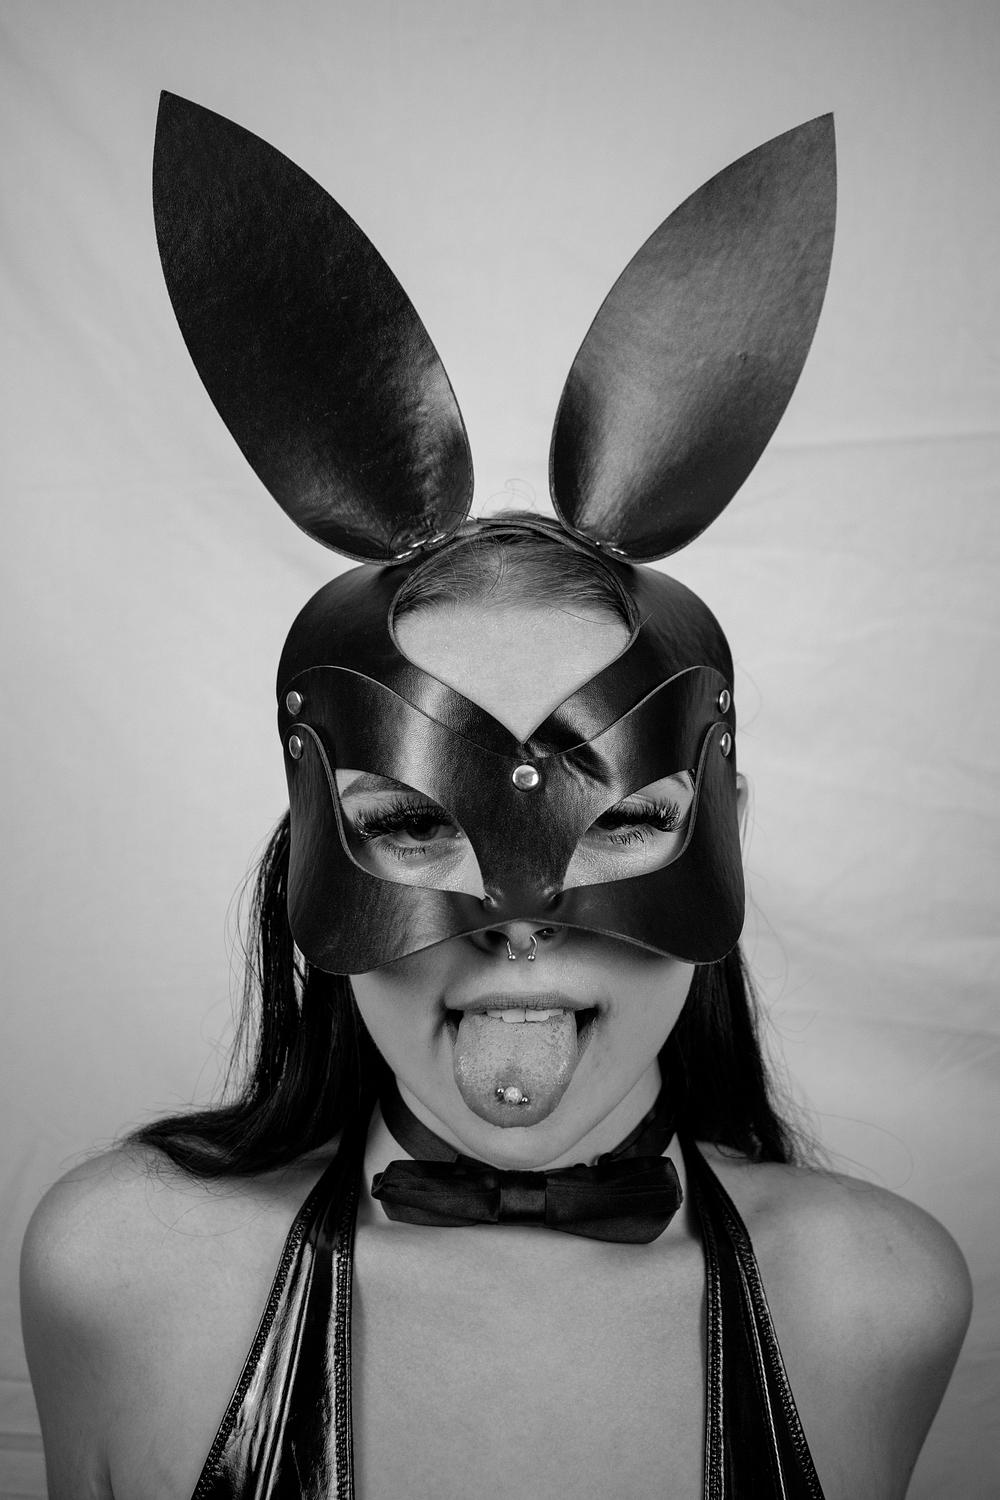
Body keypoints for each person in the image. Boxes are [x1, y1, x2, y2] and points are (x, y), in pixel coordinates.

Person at [20, 97, 971, 1500]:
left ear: (724, 828)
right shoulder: (119, 1275)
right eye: (414, 821)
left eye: (621, 819)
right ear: (310, 841)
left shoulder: (878, 1299)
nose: (519, 916)